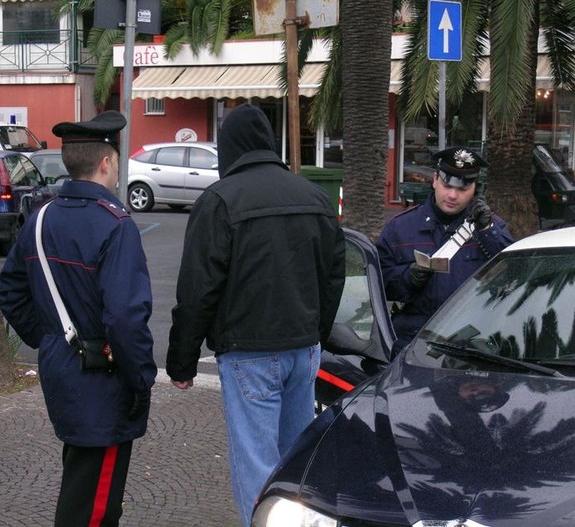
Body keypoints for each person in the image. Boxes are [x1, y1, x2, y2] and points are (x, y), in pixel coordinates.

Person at [166, 104, 346, 527]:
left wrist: (182, 361)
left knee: (258, 468)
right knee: (294, 464)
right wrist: (315, 332)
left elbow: (196, 290)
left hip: (249, 352)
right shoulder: (315, 198)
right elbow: (334, 276)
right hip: (303, 350)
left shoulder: (219, 201)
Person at [0, 111, 156, 527]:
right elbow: (124, 318)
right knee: (94, 507)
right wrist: (141, 379)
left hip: (62, 371)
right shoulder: (116, 226)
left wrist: (51, 339)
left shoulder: (40, 219)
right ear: (106, 162)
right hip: (105, 381)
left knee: (83, 484)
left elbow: (10, 291)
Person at [376, 147, 514, 356]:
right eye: (447, 185)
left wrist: (487, 230)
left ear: (476, 189)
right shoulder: (400, 228)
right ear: (434, 180)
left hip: (473, 342)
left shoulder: (490, 228)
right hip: (413, 341)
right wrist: (407, 278)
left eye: (462, 189)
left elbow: (513, 275)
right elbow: (377, 284)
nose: (452, 195)